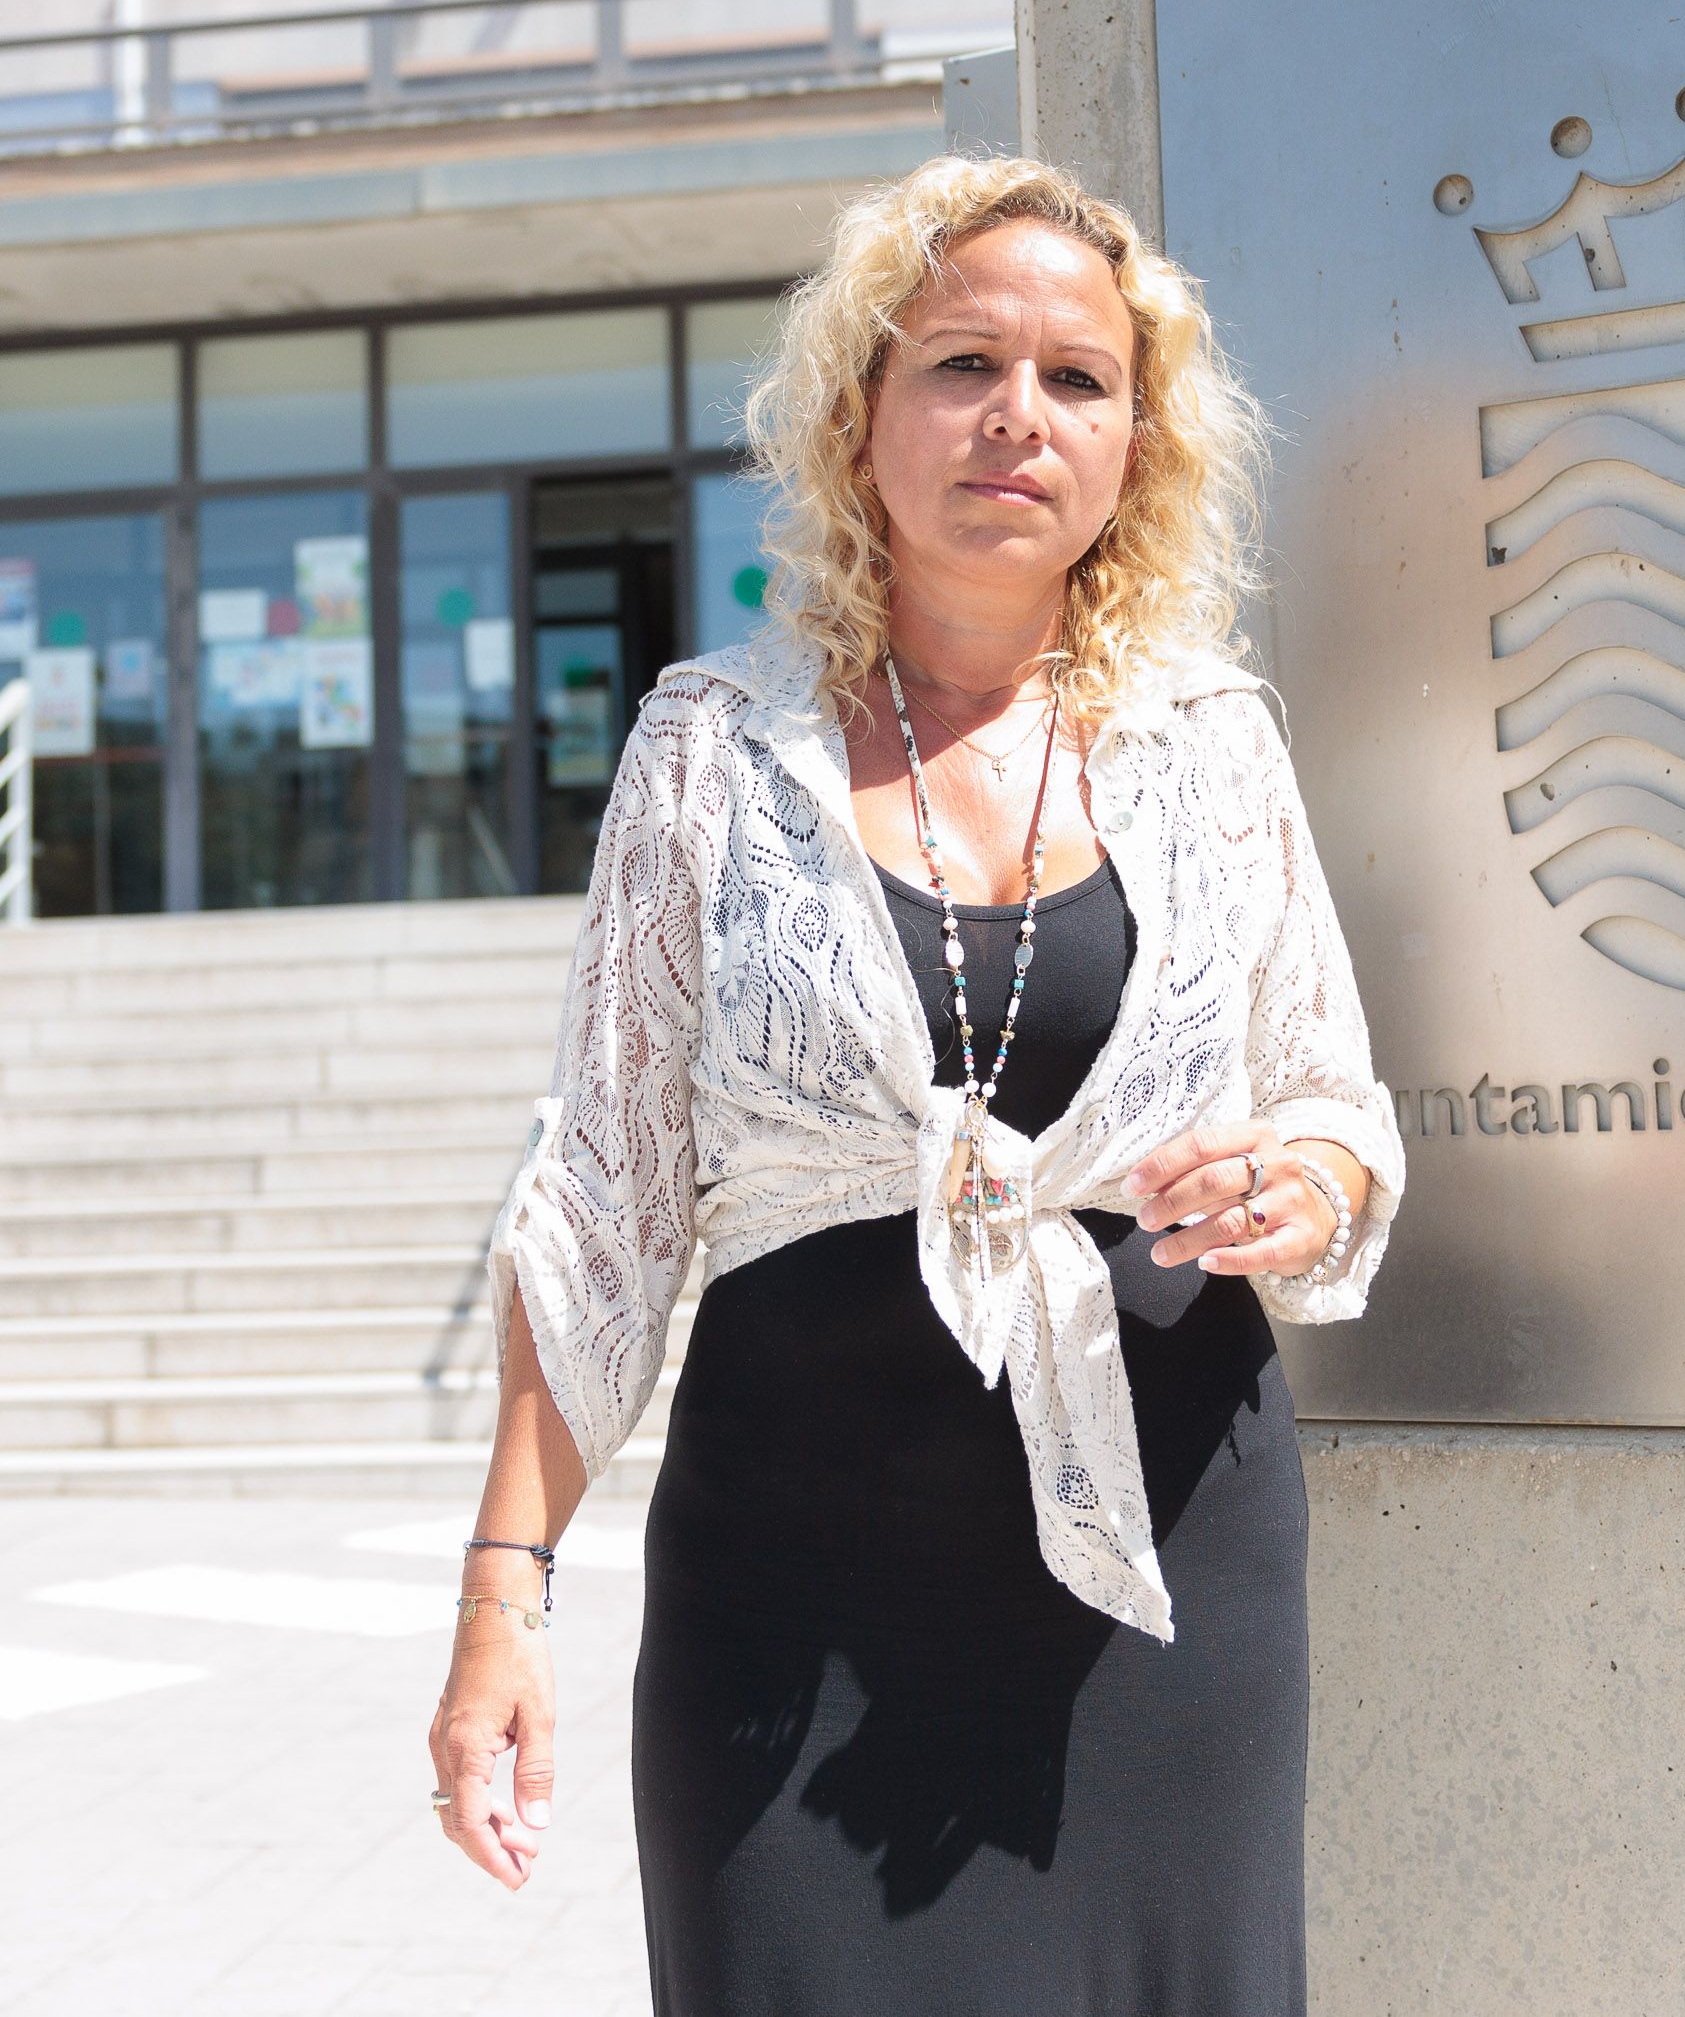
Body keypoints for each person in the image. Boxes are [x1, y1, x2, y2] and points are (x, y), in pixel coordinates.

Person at [422, 153, 1403, 2012]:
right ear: (858, 417)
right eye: (961, 363)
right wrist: (502, 1599)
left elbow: (1338, 1107)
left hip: (1163, 1576)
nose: (1015, 418)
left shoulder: (1213, 743)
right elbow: (602, 1214)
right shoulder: (712, 749)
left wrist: (1304, 1187)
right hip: (790, 1591)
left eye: (1078, 379)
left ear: (1137, 445)